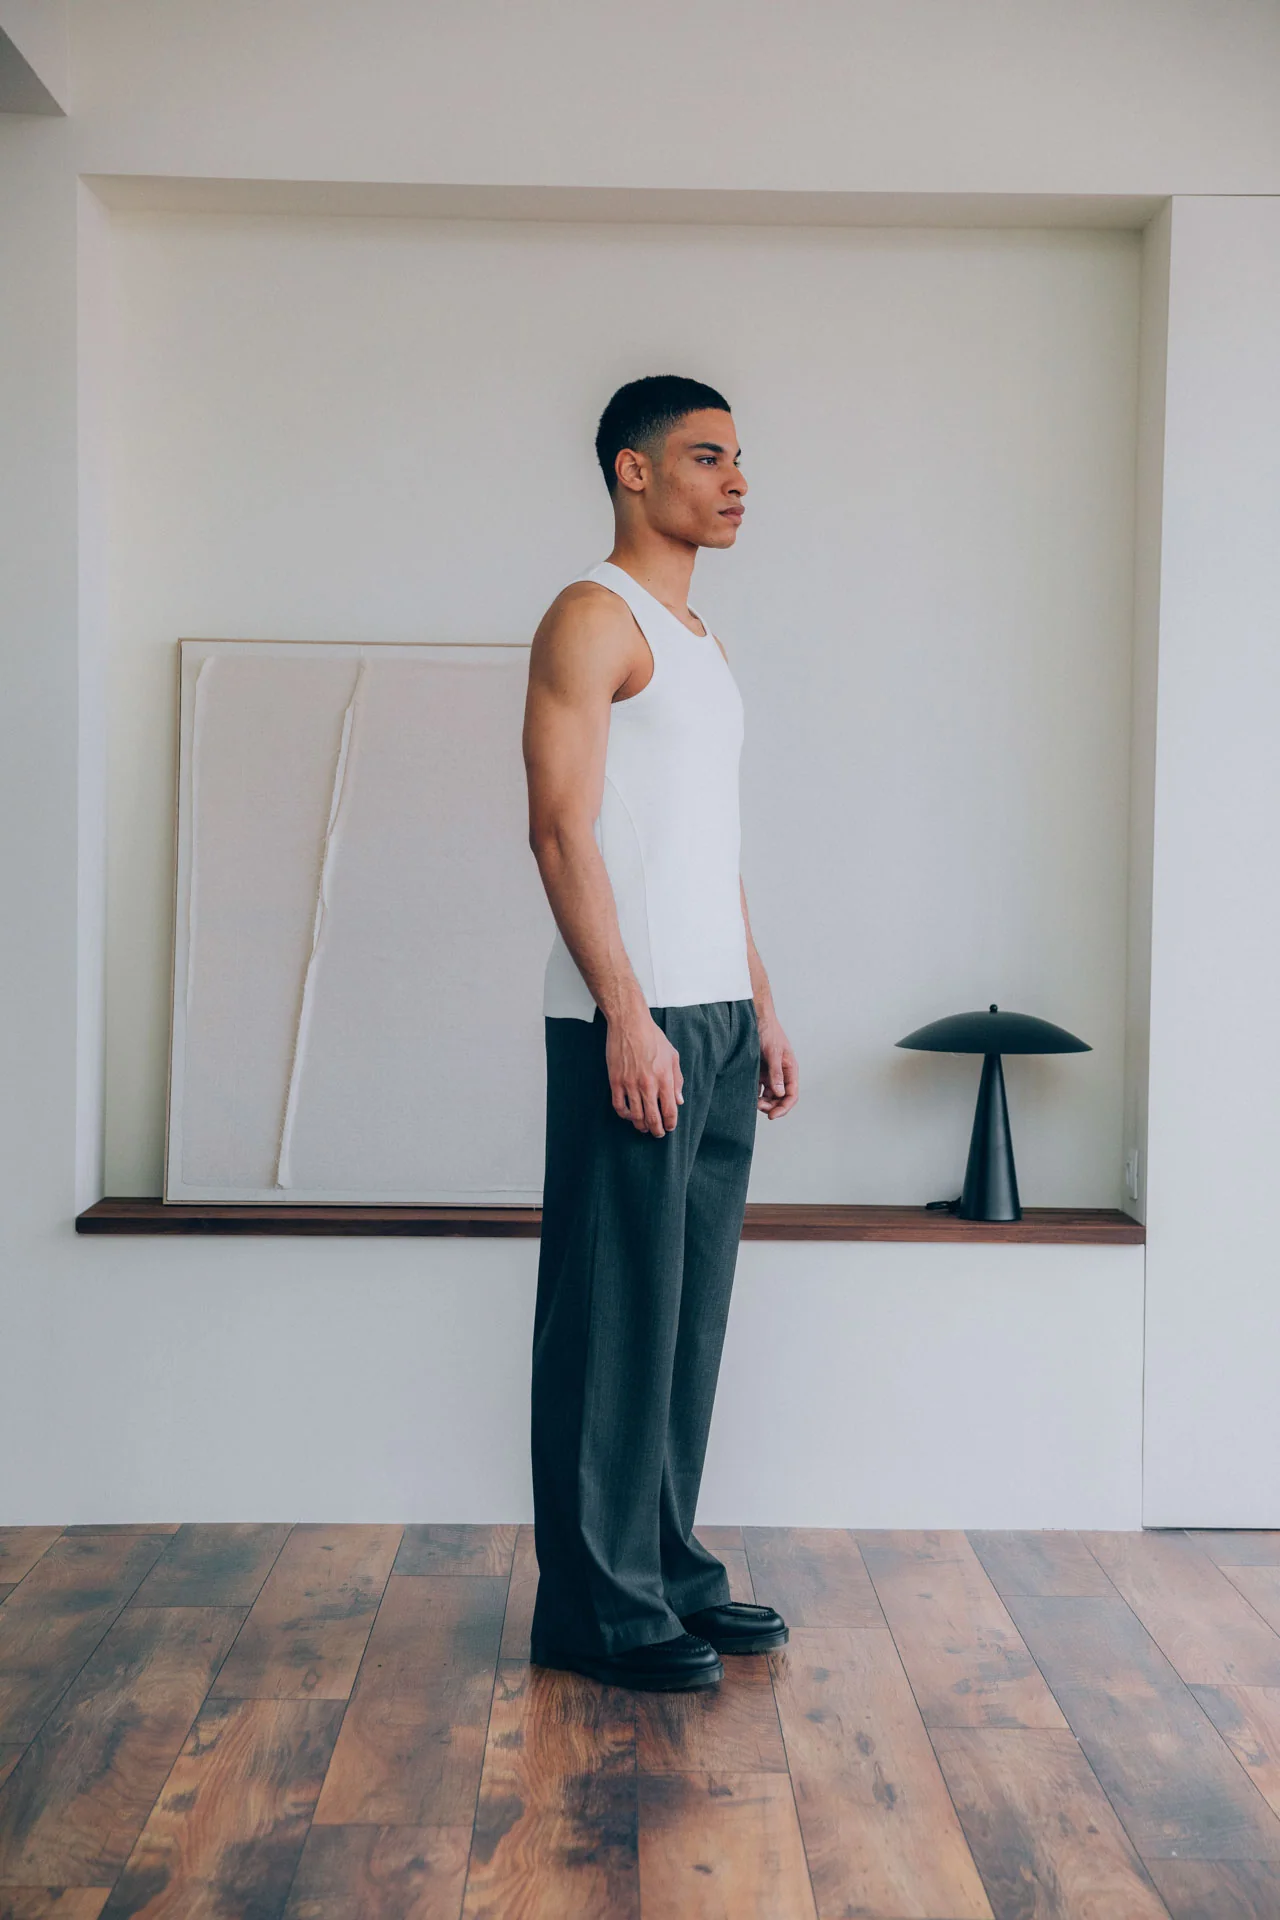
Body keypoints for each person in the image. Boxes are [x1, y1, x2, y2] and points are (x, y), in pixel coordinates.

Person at [521, 374, 799, 1692]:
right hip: (631, 1013)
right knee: (614, 1316)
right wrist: (625, 1013)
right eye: (705, 456)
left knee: (685, 1320)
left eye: (739, 458)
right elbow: (558, 828)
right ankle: (595, 1608)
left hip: (717, 1016)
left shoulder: (700, 640)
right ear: (634, 471)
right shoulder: (594, 616)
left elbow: (708, 850)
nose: (735, 480)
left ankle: (667, 1568)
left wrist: (760, 1001)